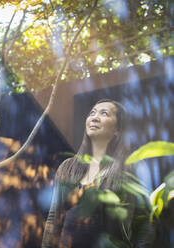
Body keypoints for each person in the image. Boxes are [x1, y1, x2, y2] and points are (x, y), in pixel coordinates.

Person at [42, 99, 153, 248]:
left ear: (117, 130)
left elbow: (144, 224)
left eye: (104, 113)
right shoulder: (68, 167)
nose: (94, 117)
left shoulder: (132, 167)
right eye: (92, 113)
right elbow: (53, 219)